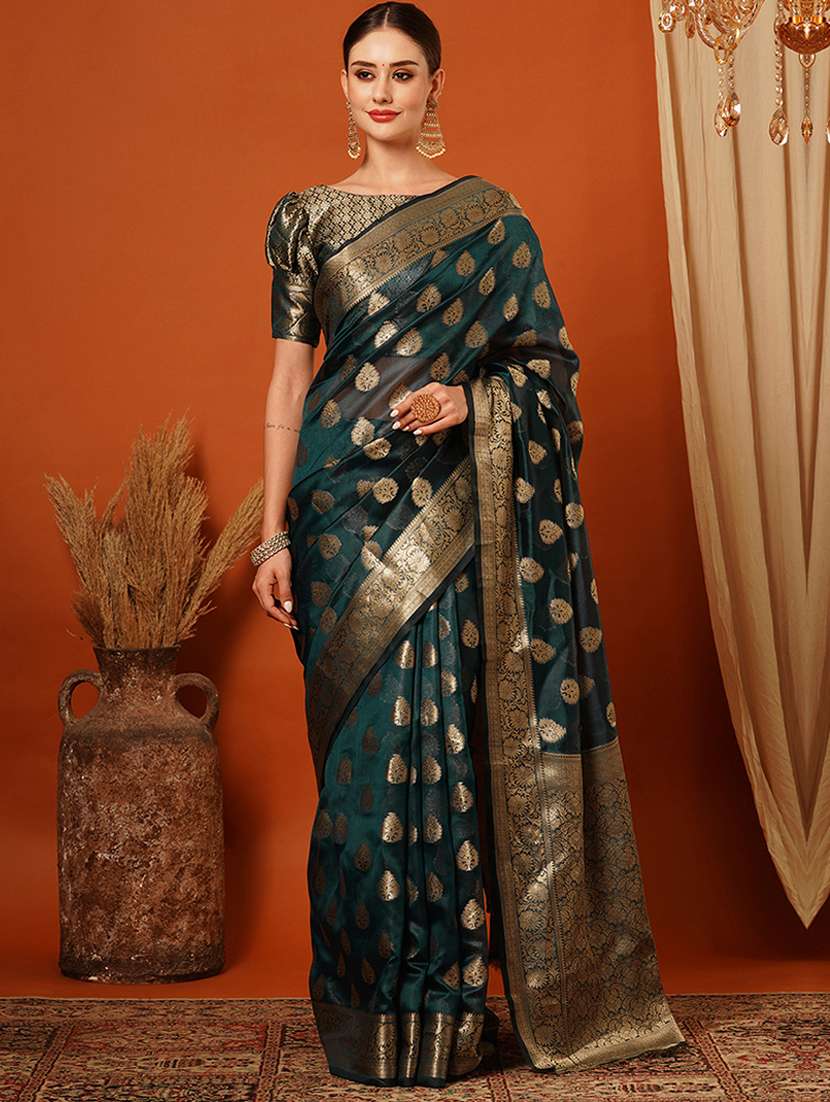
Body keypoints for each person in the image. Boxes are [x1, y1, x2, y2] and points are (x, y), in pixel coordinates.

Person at [251, 1, 686, 1089]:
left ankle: (444, 1015)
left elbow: (549, 371)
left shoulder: (493, 220)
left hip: (447, 514)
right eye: (364, 72)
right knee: (359, 776)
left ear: (435, 86)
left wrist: (468, 400)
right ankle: (365, 1011)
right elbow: (287, 386)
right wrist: (269, 534)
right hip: (338, 515)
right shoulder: (304, 219)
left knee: (441, 749)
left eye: (402, 72)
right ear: (342, 84)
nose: (382, 91)